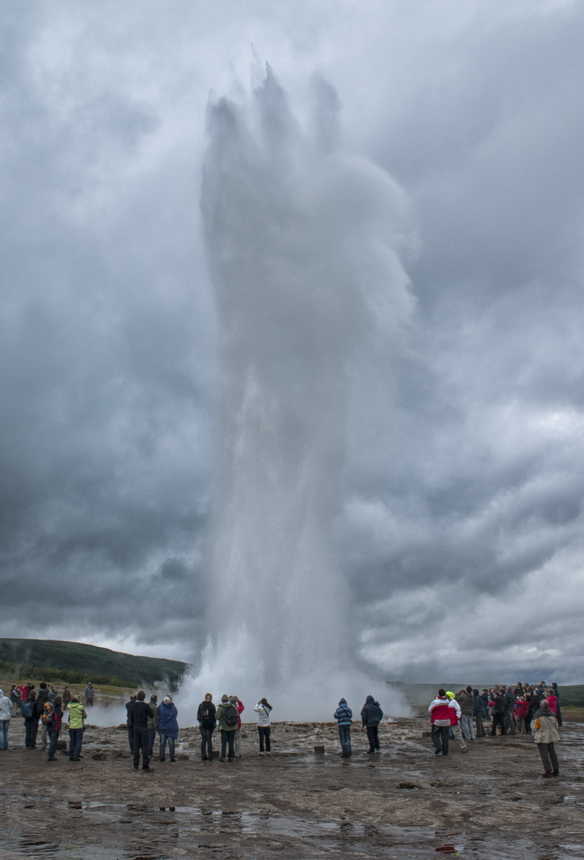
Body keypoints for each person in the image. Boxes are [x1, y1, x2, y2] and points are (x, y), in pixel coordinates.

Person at [532, 699, 560, 777]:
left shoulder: (538, 715)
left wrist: (535, 733)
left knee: (544, 754)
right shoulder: (552, 715)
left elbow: (534, 727)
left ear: (541, 705)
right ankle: (556, 770)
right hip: (551, 736)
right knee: (552, 753)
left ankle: (548, 771)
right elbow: (556, 726)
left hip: (542, 736)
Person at [128, 691, 154, 772]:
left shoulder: (133, 705)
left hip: (135, 727)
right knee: (144, 747)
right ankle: (145, 766)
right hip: (143, 727)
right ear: (144, 697)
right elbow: (151, 715)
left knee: (136, 747)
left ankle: (135, 766)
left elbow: (130, 717)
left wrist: (132, 726)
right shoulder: (146, 706)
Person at [428, 689, 456, 756]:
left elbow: (430, 710)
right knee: (445, 736)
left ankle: (438, 747)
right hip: (446, 721)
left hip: (438, 721)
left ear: (439, 693)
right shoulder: (448, 701)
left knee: (434, 735)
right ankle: (445, 752)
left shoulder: (436, 702)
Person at [216, 694, 238, 762]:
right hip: (232, 727)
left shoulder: (221, 708)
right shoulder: (233, 706)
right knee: (231, 743)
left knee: (224, 743)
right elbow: (237, 714)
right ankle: (231, 757)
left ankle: (223, 757)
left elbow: (217, 717)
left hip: (224, 728)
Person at [66, 695, 87, 761]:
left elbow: (69, 704)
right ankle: (76, 755)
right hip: (79, 726)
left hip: (71, 726)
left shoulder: (69, 707)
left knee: (72, 741)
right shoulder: (81, 707)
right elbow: (85, 716)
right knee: (78, 741)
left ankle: (71, 755)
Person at [158, 696, 179, 762]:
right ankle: (172, 758)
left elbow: (158, 716)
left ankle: (162, 757)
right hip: (171, 728)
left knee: (162, 742)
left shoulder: (160, 707)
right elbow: (175, 716)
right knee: (171, 743)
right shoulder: (173, 708)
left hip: (162, 728)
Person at [197, 693, 216, 761]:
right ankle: (210, 756)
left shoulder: (201, 705)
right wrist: (214, 723)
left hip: (202, 724)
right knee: (209, 740)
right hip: (209, 724)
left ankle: (203, 755)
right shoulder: (212, 706)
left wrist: (200, 721)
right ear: (211, 698)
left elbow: (198, 715)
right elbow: (214, 716)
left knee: (204, 740)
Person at [46, 695, 63, 761]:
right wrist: (61, 714)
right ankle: (51, 754)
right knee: (54, 740)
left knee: (51, 739)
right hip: (54, 726)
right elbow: (57, 717)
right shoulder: (57, 708)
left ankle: (51, 752)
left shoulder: (50, 706)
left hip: (49, 725)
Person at [37, 683, 50, 751]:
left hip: (40, 711)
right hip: (46, 712)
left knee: (43, 728)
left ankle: (43, 745)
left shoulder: (39, 693)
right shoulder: (46, 694)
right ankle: (44, 745)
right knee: (46, 728)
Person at [147, 695, 158, 759]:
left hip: (145, 726)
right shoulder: (155, 708)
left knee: (146, 740)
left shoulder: (146, 705)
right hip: (151, 726)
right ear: (156, 700)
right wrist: (156, 727)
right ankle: (149, 754)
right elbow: (155, 719)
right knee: (151, 741)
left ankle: (146, 752)